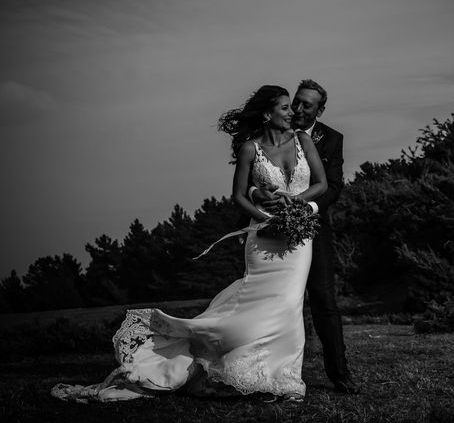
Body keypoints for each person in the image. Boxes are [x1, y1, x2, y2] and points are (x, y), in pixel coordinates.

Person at [51, 85, 327, 403]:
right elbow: (238, 195)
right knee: (259, 306)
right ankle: (230, 363)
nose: (292, 112)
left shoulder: (304, 140)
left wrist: (294, 205)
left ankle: (287, 381)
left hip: (297, 239)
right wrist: (265, 220)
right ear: (268, 113)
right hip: (263, 240)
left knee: (290, 305)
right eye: (284, 107)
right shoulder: (251, 149)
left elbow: (321, 183)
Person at [251, 80, 360, 394]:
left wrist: (306, 209)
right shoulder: (271, 132)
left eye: (306, 105)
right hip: (268, 228)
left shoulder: (332, 139)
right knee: (271, 300)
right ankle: (262, 370)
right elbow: (249, 176)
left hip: (314, 228)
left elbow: (334, 186)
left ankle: (340, 374)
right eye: (295, 102)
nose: (298, 109)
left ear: (320, 111)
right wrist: (259, 195)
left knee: (324, 299)